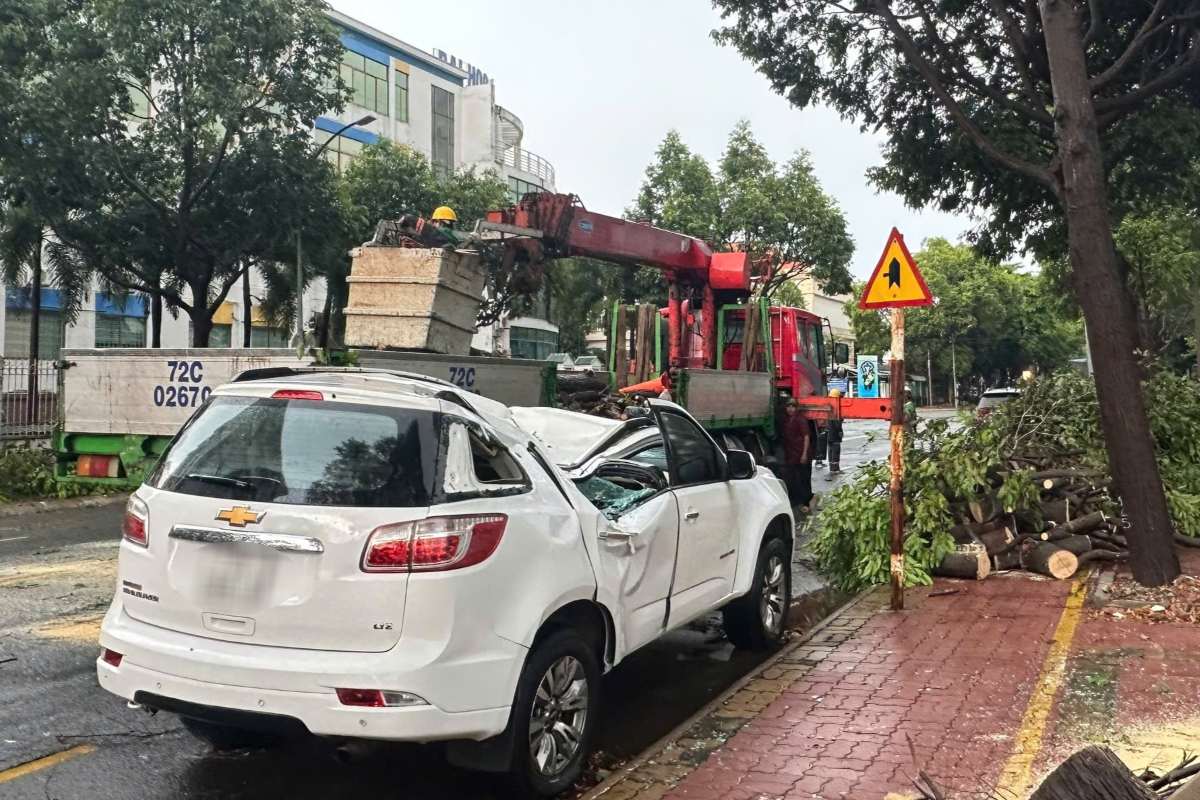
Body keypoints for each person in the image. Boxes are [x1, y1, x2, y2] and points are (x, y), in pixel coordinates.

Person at [782, 398, 814, 511]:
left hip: (801, 454)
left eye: (792, 406)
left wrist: (804, 454)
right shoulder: (787, 420)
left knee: (804, 478)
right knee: (793, 478)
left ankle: (806, 503)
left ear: (796, 408)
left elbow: (806, 436)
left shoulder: (801, 420)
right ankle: (798, 501)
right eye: (788, 407)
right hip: (792, 454)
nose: (790, 409)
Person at [825, 389, 845, 479]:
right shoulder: (835, 409)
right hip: (835, 434)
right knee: (836, 451)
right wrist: (840, 431)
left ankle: (832, 469)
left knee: (830, 451)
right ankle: (836, 469)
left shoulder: (828, 407)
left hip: (828, 434)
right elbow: (837, 424)